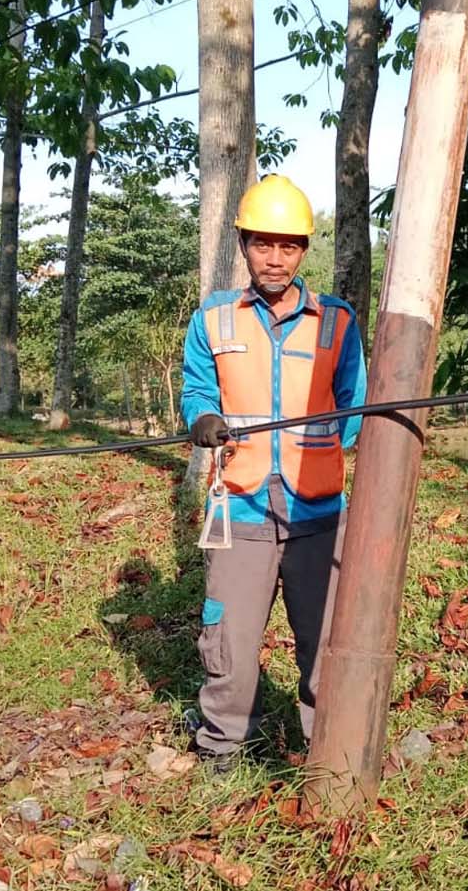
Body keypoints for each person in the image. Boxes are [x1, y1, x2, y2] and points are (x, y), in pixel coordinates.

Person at [181, 175, 367, 776]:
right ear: (243, 244)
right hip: (241, 508)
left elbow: (355, 406)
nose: (275, 258)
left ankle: (328, 749)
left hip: (317, 514)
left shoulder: (337, 324)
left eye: (289, 246)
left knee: (323, 642)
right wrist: (204, 418)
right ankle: (223, 747)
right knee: (228, 642)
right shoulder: (214, 319)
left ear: (304, 251)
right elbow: (197, 390)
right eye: (264, 244)